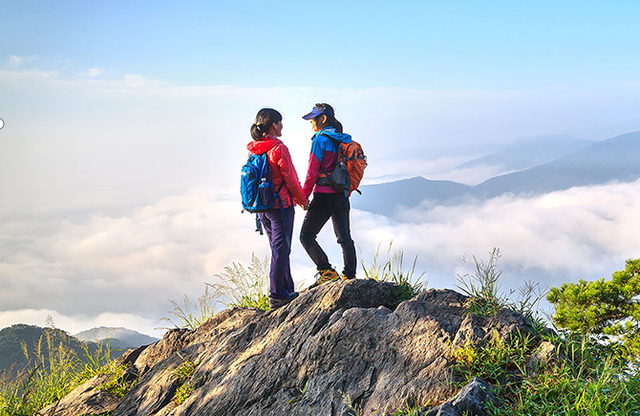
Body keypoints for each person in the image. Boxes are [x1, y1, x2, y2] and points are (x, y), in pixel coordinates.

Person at [247, 108, 308, 309]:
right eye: (280, 123)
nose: (282, 127)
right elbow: (290, 177)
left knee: (278, 249)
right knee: (281, 249)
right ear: (274, 124)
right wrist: (302, 200)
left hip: (262, 207)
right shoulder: (278, 148)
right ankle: (277, 294)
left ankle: (286, 288)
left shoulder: (255, 148)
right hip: (281, 206)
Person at [300, 103, 357, 288]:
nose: (311, 123)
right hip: (342, 195)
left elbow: (312, 172)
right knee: (344, 237)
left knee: (306, 236)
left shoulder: (320, 140)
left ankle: (327, 271)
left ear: (323, 119)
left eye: (313, 119)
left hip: (324, 195)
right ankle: (350, 275)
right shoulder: (343, 139)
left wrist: (303, 196)